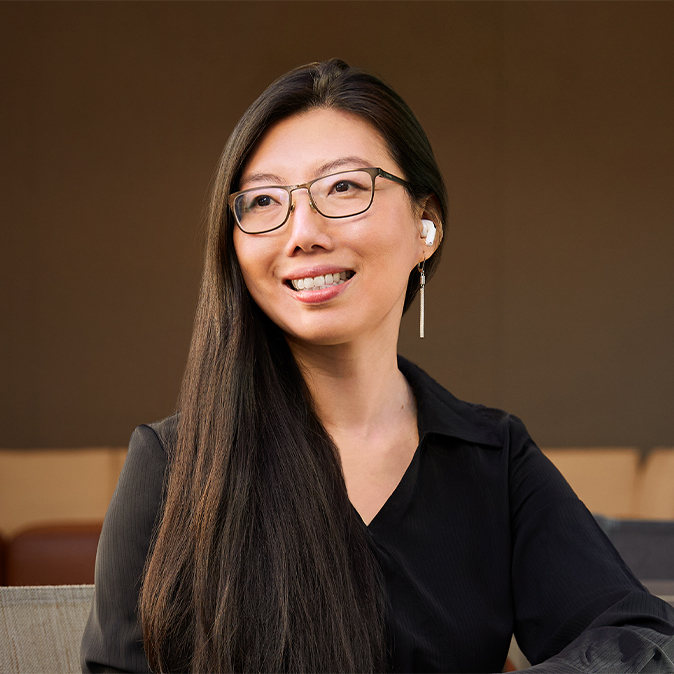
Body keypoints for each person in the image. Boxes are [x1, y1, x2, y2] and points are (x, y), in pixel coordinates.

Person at [81, 59, 674, 673]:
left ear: (427, 226)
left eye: (343, 187)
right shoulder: (173, 466)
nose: (302, 232)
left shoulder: (489, 459)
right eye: (263, 200)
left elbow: (640, 637)